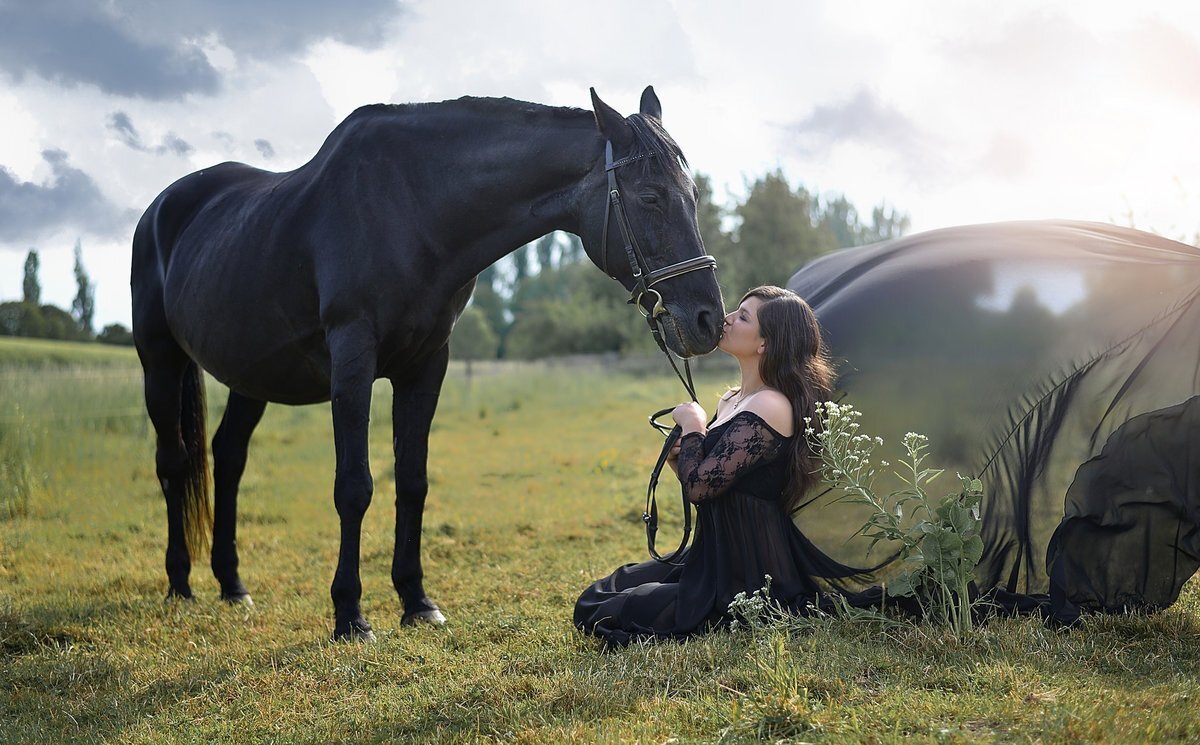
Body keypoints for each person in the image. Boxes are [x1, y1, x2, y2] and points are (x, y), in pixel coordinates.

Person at [574, 286, 872, 646]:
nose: (727, 319)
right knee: (606, 589)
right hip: (710, 555)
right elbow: (707, 482)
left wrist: (695, 425)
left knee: (603, 609)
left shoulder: (772, 406)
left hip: (747, 572)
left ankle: (731, 609)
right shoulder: (734, 397)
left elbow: (700, 488)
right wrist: (677, 456)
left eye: (743, 317)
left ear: (765, 343)